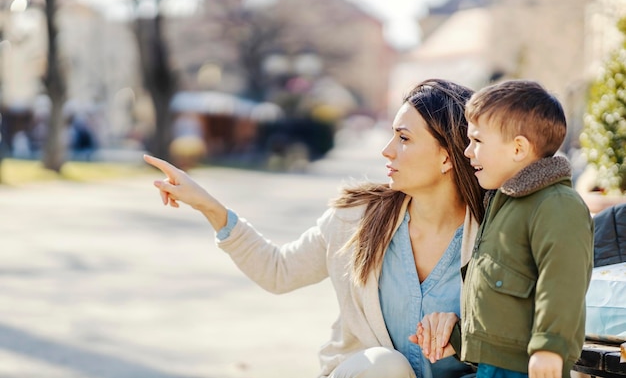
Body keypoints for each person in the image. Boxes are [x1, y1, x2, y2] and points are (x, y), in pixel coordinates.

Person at [144, 78, 485, 378]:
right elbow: (278, 270)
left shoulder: (495, 231)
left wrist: (464, 335)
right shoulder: (355, 219)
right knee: (385, 366)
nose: (387, 150)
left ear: (447, 157)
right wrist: (209, 206)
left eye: (404, 138)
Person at [412, 80, 594, 378]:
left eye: (477, 141)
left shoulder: (556, 204)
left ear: (519, 148)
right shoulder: (503, 203)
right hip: (494, 364)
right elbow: (499, 291)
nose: (468, 152)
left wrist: (549, 346)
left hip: (526, 365)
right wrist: (459, 340)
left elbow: (563, 280)